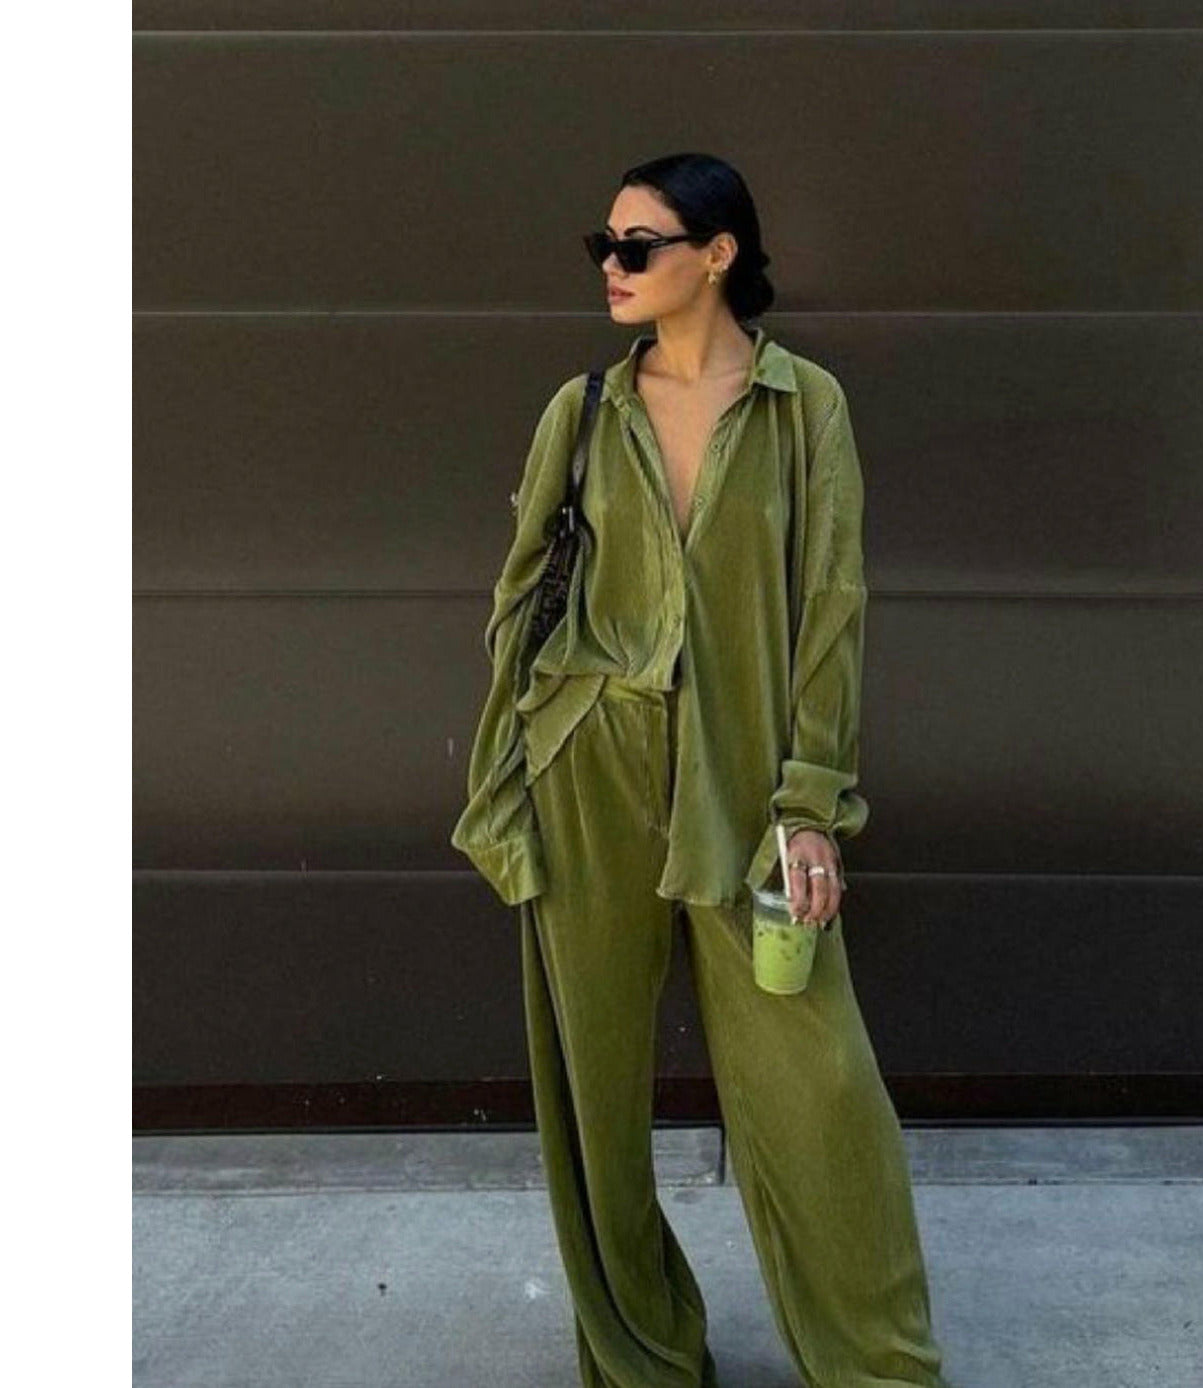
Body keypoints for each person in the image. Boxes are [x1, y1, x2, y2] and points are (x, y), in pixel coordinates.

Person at [453, 152, 956, 1388]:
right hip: (588, 769)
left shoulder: (802, 407)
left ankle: (877, 1362)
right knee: (594, 1098)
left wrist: (810, 803)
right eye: (603, 247)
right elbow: (520, 600)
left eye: (638, 246)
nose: (611, 268)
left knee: (820, 1087)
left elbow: (829, 605)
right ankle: (641, 1354)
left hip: (744, 785)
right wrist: (513, 773)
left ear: (716, 253)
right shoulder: (582, 409)